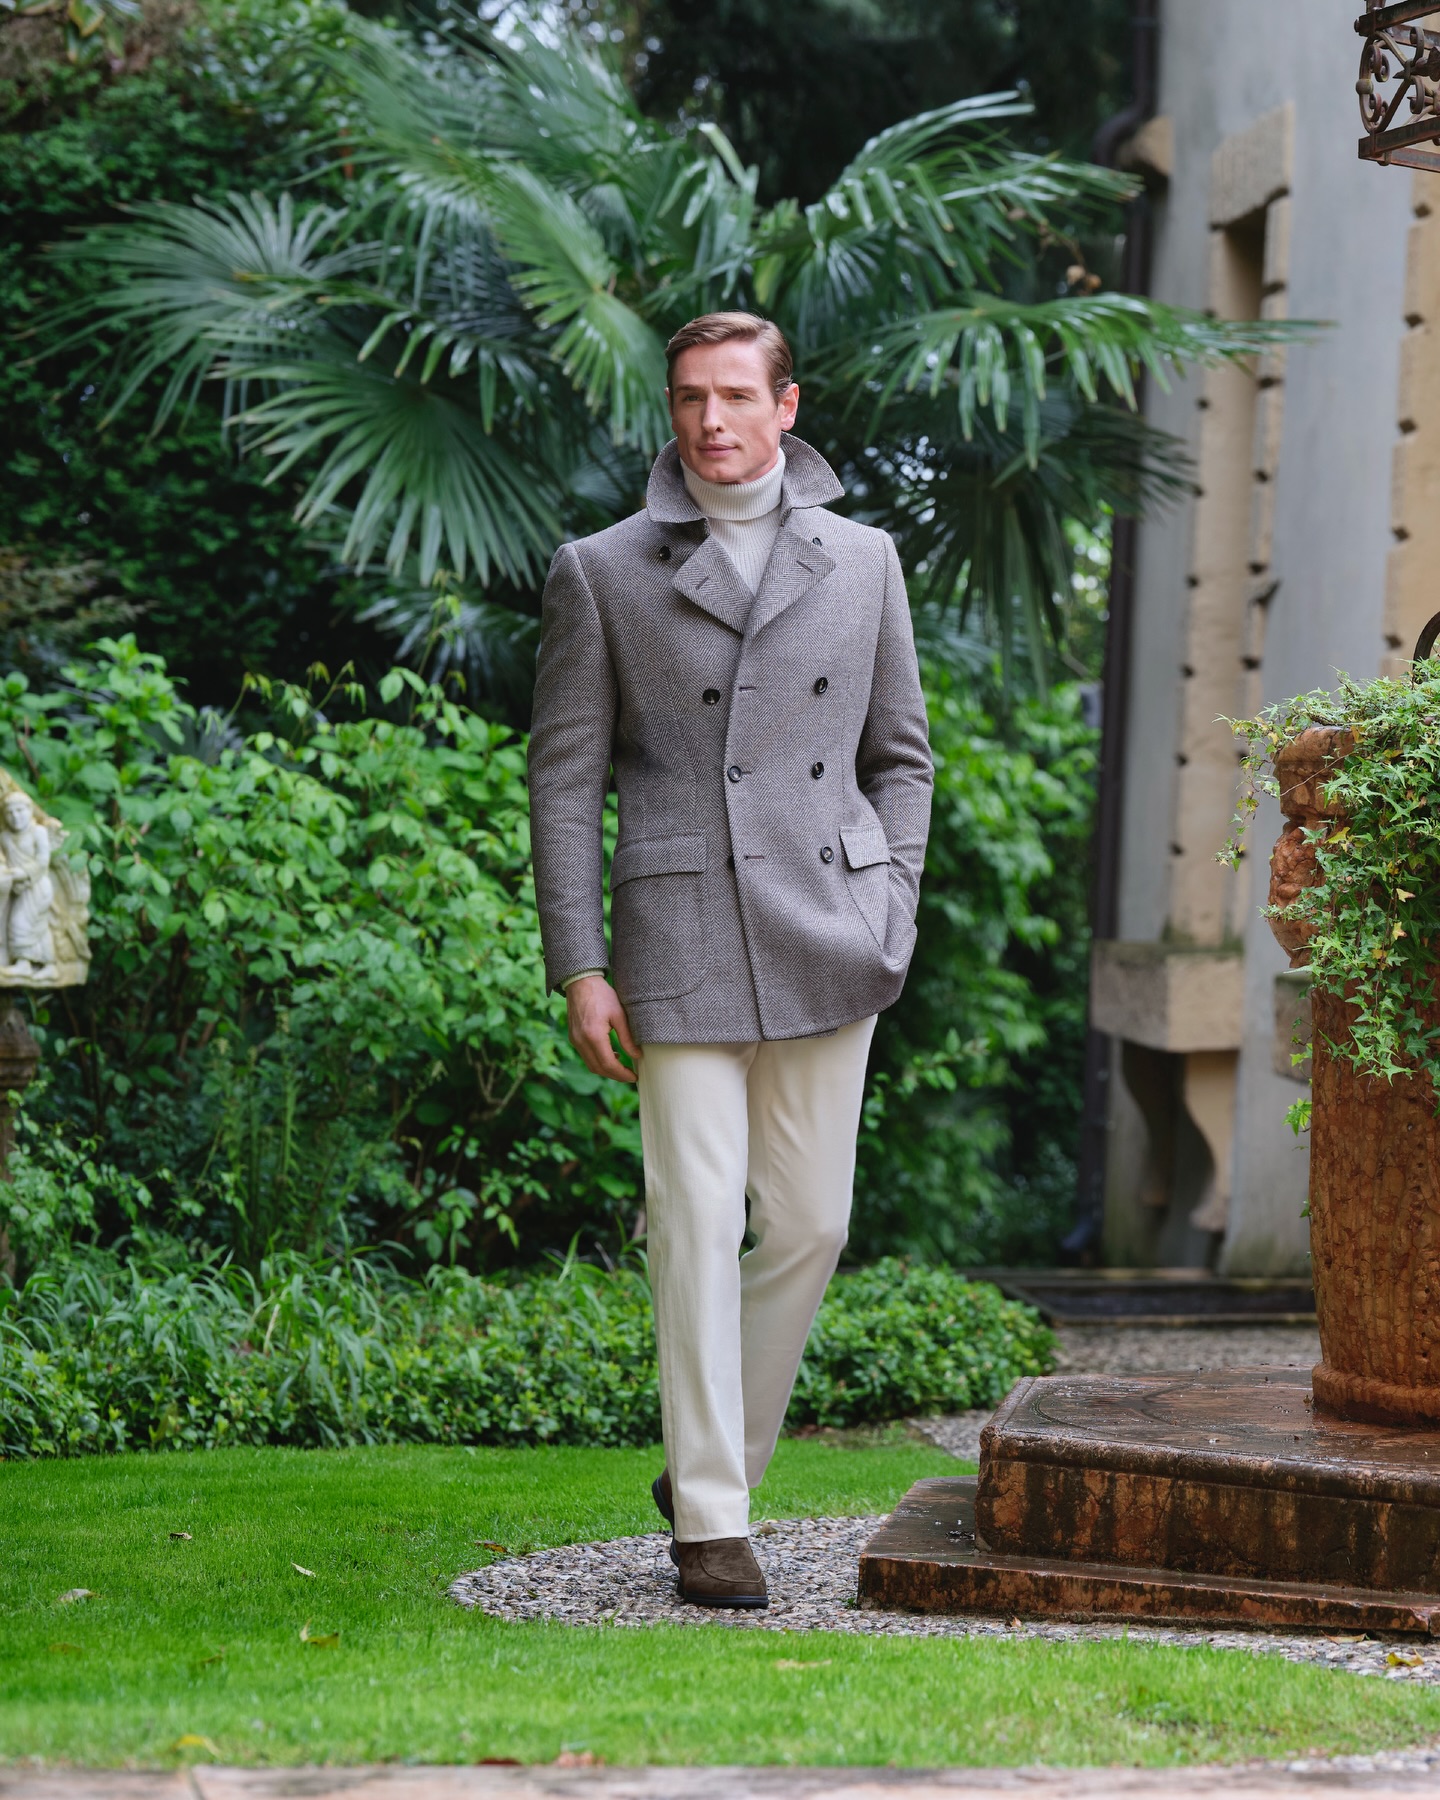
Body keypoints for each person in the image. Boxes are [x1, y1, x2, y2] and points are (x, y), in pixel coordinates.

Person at [528, 311, 933, 1609]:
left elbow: (901, 755)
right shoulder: (603, 570)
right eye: (691, 397)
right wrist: (580, 964)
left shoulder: (864, 560)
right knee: (696, 1215)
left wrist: (894, 898)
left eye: (737, 395)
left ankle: (717, 1460)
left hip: (830, 919)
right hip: (679, 928)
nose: (712, 419)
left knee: (811, 1223)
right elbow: (564, 781)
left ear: (785, 405)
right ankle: (712, 1515)